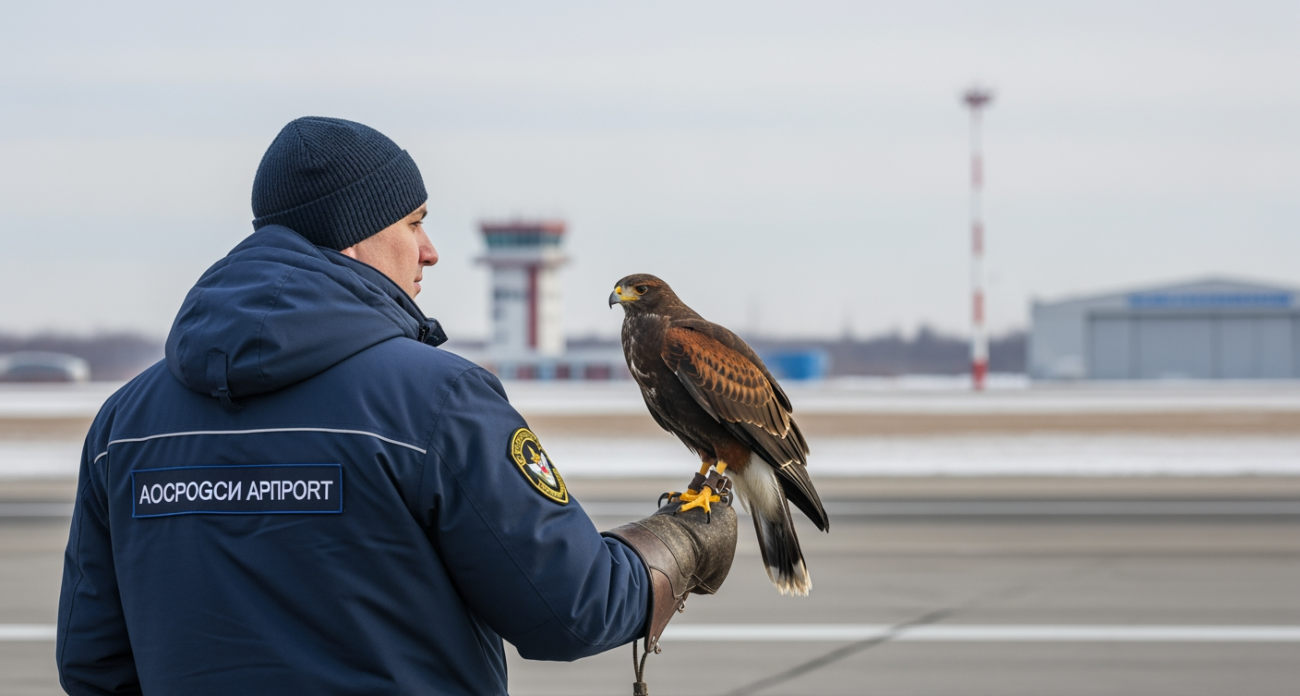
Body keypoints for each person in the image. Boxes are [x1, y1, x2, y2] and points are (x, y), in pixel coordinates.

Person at [56, 117, 736, 695]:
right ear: (353, 235)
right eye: (415, 223)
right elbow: (571, 609)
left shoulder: (124, 424)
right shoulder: (438, 401)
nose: (432, 252)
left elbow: (92, 663)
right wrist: (676, 546)